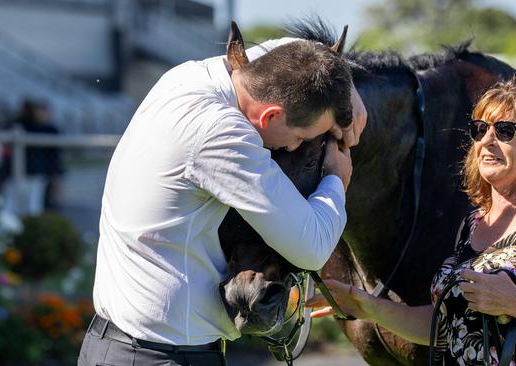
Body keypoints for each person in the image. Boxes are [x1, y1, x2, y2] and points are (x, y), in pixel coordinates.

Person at [77, 36, 367, 365]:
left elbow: (285, 52)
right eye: (299, 137)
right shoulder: (221, 134)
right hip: (160, 356)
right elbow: (311, 247)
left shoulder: (189, 76)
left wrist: (345, 87)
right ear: (270, 116)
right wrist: (334, 179)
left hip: (119, 347)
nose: (291, 148)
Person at [307, 76, 516, 365]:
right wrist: (365, 305)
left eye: (506, 131)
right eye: (480, 130)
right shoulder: (473, 223)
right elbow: (445, 325)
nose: (487, 141)